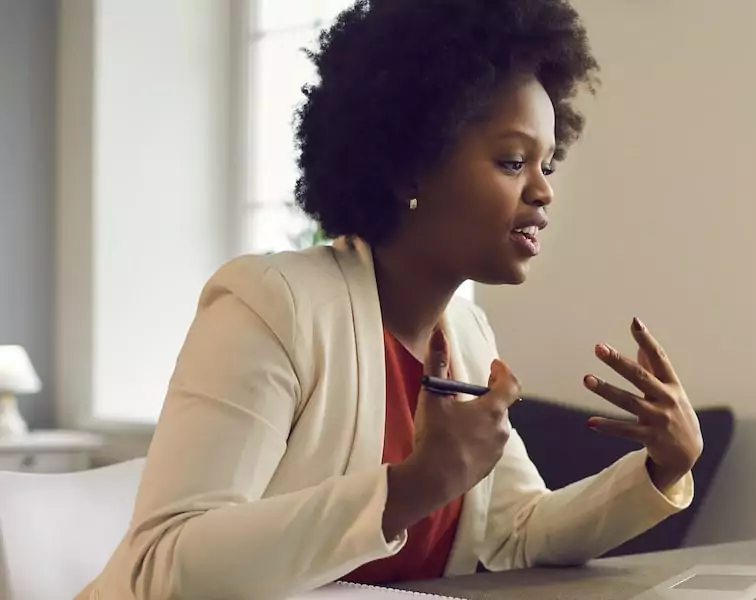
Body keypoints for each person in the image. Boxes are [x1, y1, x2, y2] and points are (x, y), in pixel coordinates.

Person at [77, 0, 704, 598]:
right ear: (410, 167)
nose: (544, 192)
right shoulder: (273, 306)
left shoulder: (466, 338)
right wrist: (410, 488)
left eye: (549, 164)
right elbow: (165, 565)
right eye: (514, 162)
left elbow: (518, 532)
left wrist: (662, 467)